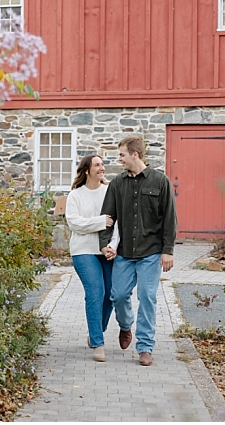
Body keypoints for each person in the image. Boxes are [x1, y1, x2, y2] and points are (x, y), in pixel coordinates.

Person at [98, 136, 177, 367]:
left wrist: (168, 251)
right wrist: (105, 244)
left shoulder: (160, 181)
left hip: (151, 253)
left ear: (135, 154)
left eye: (122, 154)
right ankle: (125, 326)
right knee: (119, 296)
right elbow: (108, 218)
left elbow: (170, 219)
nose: (118, 159)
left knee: (147, 297)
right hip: (124, 253)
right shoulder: (117, 184)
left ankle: (145, 347)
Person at [65, 154, 121, 362]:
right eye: (97, 165)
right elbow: (74, 223)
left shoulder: (110, 192)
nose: (102, 167)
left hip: (107, 251)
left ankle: (96, 329)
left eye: (103, 164)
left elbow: (116, 224)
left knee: (111, 295)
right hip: (83, 251)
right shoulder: (75, 196)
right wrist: (100, 221)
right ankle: (98, 343)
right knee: (95, 291)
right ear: (87, 170)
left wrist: (112, 246)